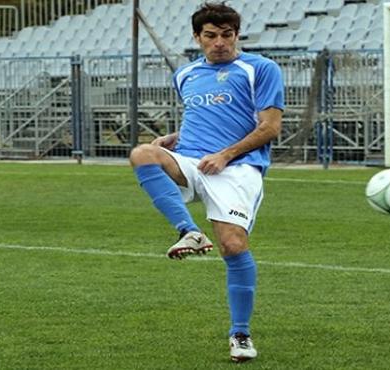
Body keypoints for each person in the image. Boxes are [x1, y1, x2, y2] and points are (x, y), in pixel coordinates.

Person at [129, 1, 284, 362]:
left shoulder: (259, 69)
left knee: (232, 246)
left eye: (227, 35)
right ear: (197, 37)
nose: (220, 43)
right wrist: (175, 138)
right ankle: (188, 230)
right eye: (211, 36)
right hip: (192, 159)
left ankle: (240, 335)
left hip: (237, 168)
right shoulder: (184, 75)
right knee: (142, 153)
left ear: (236, 36)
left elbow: (270, 127)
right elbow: (210, 116)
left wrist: (226, 155)